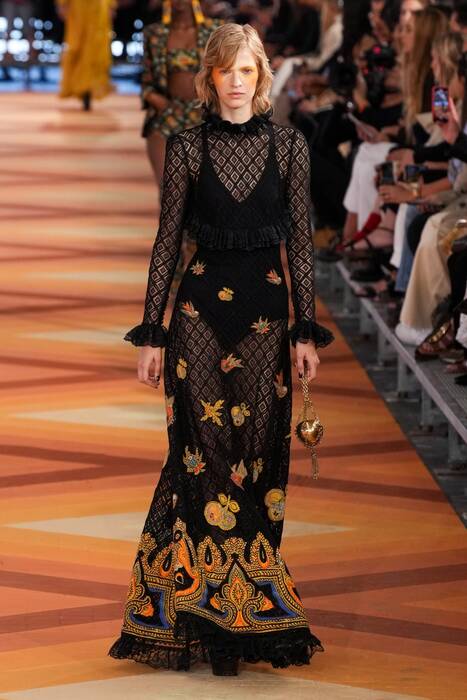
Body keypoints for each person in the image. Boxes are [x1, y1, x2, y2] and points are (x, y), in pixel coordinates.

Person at [108, 22, 334, 677]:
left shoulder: (289, 147)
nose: (236, 82)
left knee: (257, 458)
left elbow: (300, 244)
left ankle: (238, 605)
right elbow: (166, 241)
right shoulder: (187, 147)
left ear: (260, 78)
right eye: (225, 70)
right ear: (208, 76)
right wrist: (151, 333)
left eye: (246, 71)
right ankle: (217, 619)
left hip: (265, 316)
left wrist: (304, 330)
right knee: (202, 456)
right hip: (198, 314)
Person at [141, 0, 224, 187]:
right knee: (169, 190)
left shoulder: (215, 31)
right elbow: (146, 82)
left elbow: (228, 73)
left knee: (202, 191)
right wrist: (156, 100)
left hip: (205, 116)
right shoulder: (154, 34)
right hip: (167, 115)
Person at [55, 0, 115, 111]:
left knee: (96, 47)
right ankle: (83, 89)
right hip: (79, 8)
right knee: (78, 46)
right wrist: (62, 4)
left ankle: (88, 88)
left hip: (97, 8)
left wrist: (111, 5)